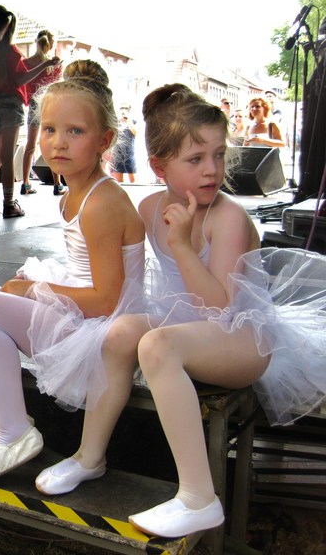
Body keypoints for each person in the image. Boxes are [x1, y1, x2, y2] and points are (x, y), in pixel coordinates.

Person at [39, 83, 326, 539]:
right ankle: (89, 455)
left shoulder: (229, 218)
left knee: (157, 346)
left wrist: (182, 246)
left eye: (218, 154)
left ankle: (198, 497)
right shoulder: (151, 207)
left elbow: (219, 308)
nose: (211, 169)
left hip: (243, 338)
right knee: (120, 332)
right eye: (195, 159)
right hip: (188, 326)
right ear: (159, 166)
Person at [0, 60, 145, 482]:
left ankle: (15, 432)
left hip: (103, 327)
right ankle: (2, 418)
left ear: (105, 140)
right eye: (50, 129)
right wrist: (38, 287)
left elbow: (108, 300)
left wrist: (36, 289)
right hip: (84, 312)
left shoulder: (101, 203)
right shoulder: (73, 194)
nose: (59, 143)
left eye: (75, 131)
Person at [0, 4, 60, 218]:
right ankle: (9, 204)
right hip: (10, 105)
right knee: (8, 158)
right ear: (7, 24)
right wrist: (44, 65)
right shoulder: (9, 51)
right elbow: (21, 79)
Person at [21, 30, 63, 196]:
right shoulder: (55, 64)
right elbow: (57, 87)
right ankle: (57, 184)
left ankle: (25, 183)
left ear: (36, 42)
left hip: (34, 104)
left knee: (30, 145)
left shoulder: (25, 63)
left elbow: (23, 85)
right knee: (54, 144)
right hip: (50, 105)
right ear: (50, 45)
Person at [109, 104, 138, 183]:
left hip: (129, 153)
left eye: (126, 108)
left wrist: (128, 120)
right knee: (118, 180)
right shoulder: (116, 122)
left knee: (133, 179)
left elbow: (135, 132)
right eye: (122, 108)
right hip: (117, 153)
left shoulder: (133, 121)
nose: (123, 110)